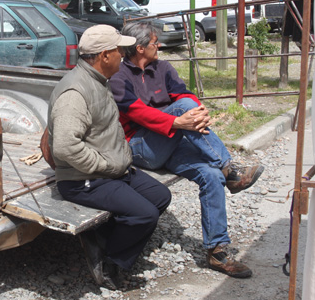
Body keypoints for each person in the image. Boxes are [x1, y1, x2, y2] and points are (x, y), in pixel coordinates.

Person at [110, 21, 265, 278]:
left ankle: (217, 251)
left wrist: (198, 111)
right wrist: (176, 120)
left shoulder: (163, 68)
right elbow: (136, 111)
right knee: (182, 110)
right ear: (139, 48)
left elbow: (185, 94)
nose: (158, 45)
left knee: (211, 175)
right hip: (139, 146)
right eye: (153, 42)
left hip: (172, 139)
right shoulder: (119, 76)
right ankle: (231, 170)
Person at [46, 25, 172, 289]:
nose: (123, 55)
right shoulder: (75, 92)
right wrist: (105, 166)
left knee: (161, 196)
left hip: (111, 171)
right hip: (84, 179)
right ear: (104, 56)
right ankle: (109, 264)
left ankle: (102, 238)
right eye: (118, 50)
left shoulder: (97, 80)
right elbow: (66, 148)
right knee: (145, 215)